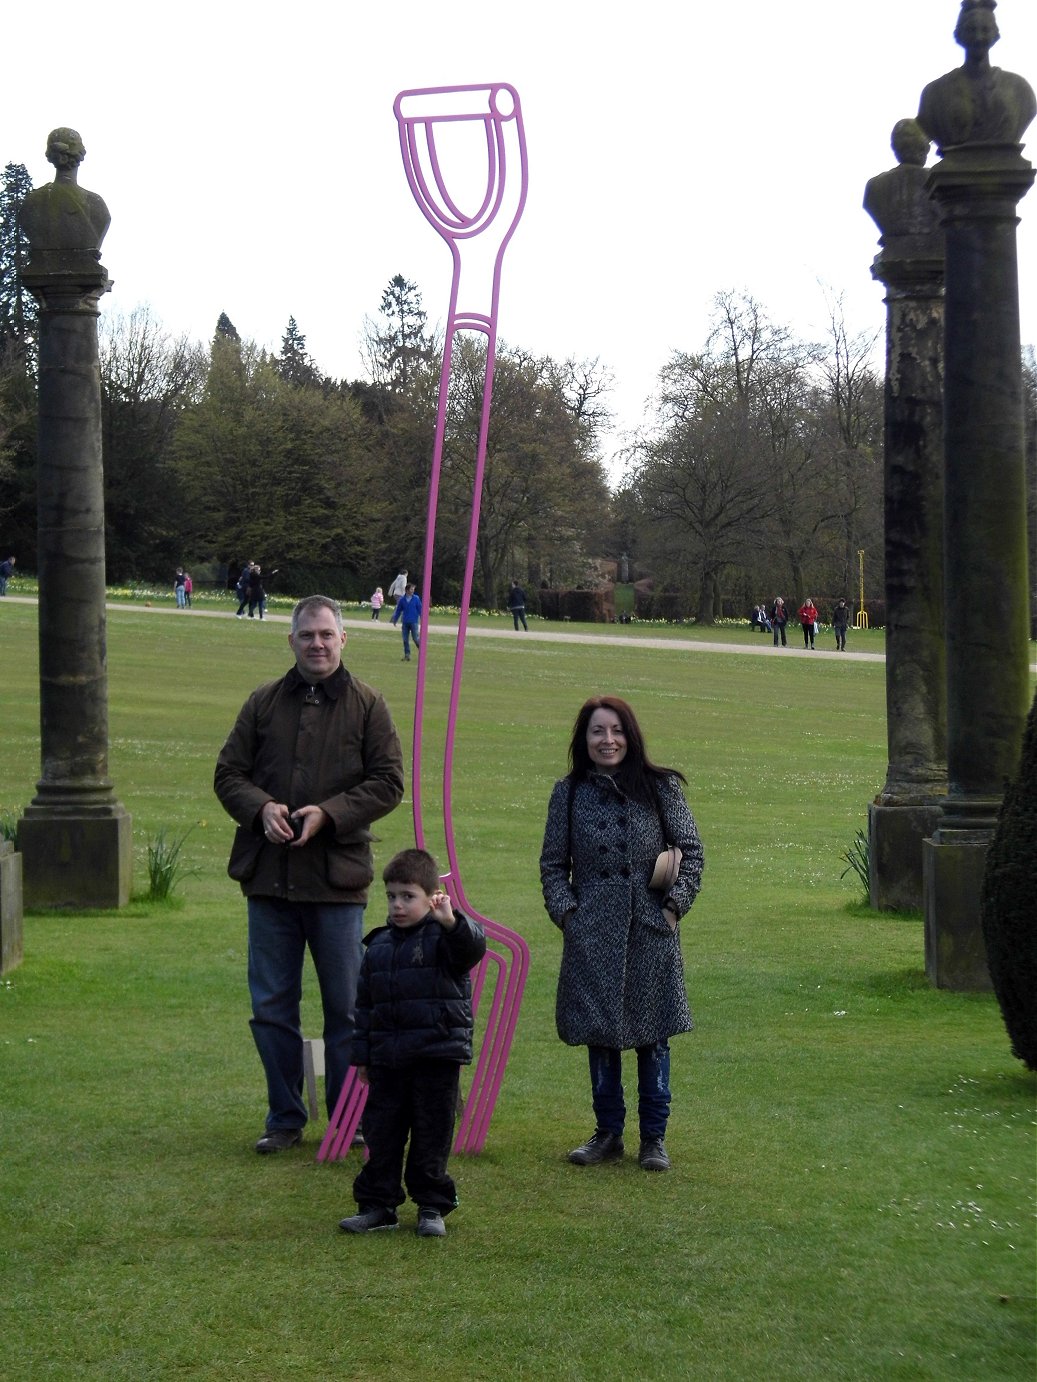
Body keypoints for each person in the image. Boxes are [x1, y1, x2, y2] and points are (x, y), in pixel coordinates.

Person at [214, 594, 405, 1153]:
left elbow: (389, 782)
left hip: (337, 885)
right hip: (269, 881)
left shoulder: (369, 705)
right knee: (272, 1008)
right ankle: (285, 1118)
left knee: (347, 1007)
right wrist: (260, 808)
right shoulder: (262, 702)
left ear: (344, 639)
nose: (317, 644)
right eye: (307, 636)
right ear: (290, 641)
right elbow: (228, 773)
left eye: (326, 635)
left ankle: (354, 1119)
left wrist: (331, 814)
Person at [539, 695, 704, 1173]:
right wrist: (569, 916)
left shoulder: (660, 788)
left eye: (615, 731)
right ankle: (607, 1133)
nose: (607, 740)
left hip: (651, 931)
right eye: (597, 731)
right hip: (591, 936)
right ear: (583, 739)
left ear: (630, 736)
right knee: (601, 1036)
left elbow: (691, 853)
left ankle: (654, 1139)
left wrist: (674, 909)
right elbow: (552, 866)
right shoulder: (567, 793)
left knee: (654, 1038)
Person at [338, 848, 486, 1237]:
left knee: (430, 1136)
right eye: (391, 896)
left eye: (408, 896)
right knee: (382, 1134)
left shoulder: (444, 937)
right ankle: (378, 1205)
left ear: (431, 897)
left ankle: (431, 1206)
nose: (398, 905)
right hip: (388, 1061)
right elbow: (365, 1007)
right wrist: (364, 1056)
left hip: (437, 1058)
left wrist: (451, 921)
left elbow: (473, 950)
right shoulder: (378, 946)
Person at [391, 583, 422, 661]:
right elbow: (398, 610)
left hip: (414, 622)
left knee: (415, 638)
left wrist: (423, 618)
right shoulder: (402, 599)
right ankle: (407, 655)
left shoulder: (416, 598)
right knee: (405, 640)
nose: (413, 591)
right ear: (407, 590)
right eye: (411, 589)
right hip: (405, 622)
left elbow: (420, 609)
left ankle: (422, 652)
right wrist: (395, 620)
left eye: (413, 589)